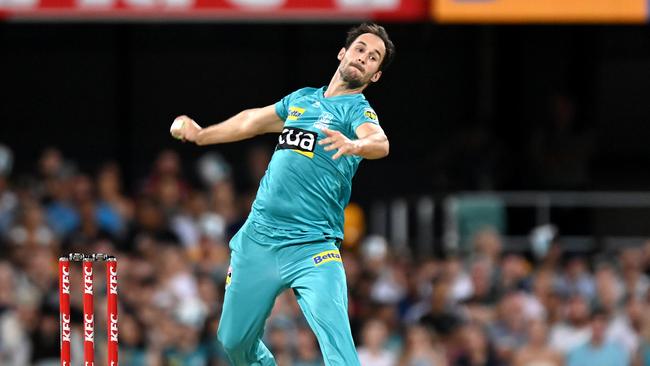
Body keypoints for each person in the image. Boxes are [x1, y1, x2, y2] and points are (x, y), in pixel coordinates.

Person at [171, 22, 395, 366]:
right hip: (259, 240)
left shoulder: (356, 111)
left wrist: (356, 144)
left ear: (375, 75)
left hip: (313, 248)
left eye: (373, 57)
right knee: (233, 342)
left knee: (339, 349)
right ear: (343, 53)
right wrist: (202, 135)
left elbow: (380, 142)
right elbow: (251, 121)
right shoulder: (301, 100)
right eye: (360, 49)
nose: (364, 57)